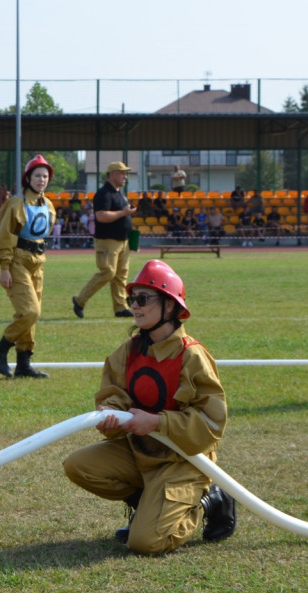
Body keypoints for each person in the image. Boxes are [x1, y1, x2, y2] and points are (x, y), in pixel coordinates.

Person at [63, 259, 236, 554]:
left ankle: (209, 502)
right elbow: (114, 392)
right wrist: (111, 412)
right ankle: (148, 504)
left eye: (143, 299)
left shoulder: (191, 356)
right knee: (78, 465)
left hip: (183, 462)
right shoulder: (129, 351)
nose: (135, 306)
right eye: (132, 299)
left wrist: (157, 423)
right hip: (140, 453)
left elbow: (212, 422)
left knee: (146, 542)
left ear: (170, 306)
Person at [0, 155, 56, 379]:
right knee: (30, 311)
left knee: (32, 316)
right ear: (28, 178)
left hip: (38, 262)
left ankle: (24, 363)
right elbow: (6, 235)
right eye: (37, 176)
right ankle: (0, 349)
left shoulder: (48, 204)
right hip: (17, 261)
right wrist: (4, 267)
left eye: (45, 176)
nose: (41, 180)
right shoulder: (17, 203)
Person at [72, 161, 136, 319]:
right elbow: (101, 216)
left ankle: (120, 308)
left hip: (123, 241)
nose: (125, 177)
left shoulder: (119, 193)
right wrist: (123, 213)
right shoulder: (103, 193)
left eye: (126, 173)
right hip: (108, 241)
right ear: (112, 174)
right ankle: (80, 300)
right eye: (122, 173)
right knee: (108, 272)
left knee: (121, 275)